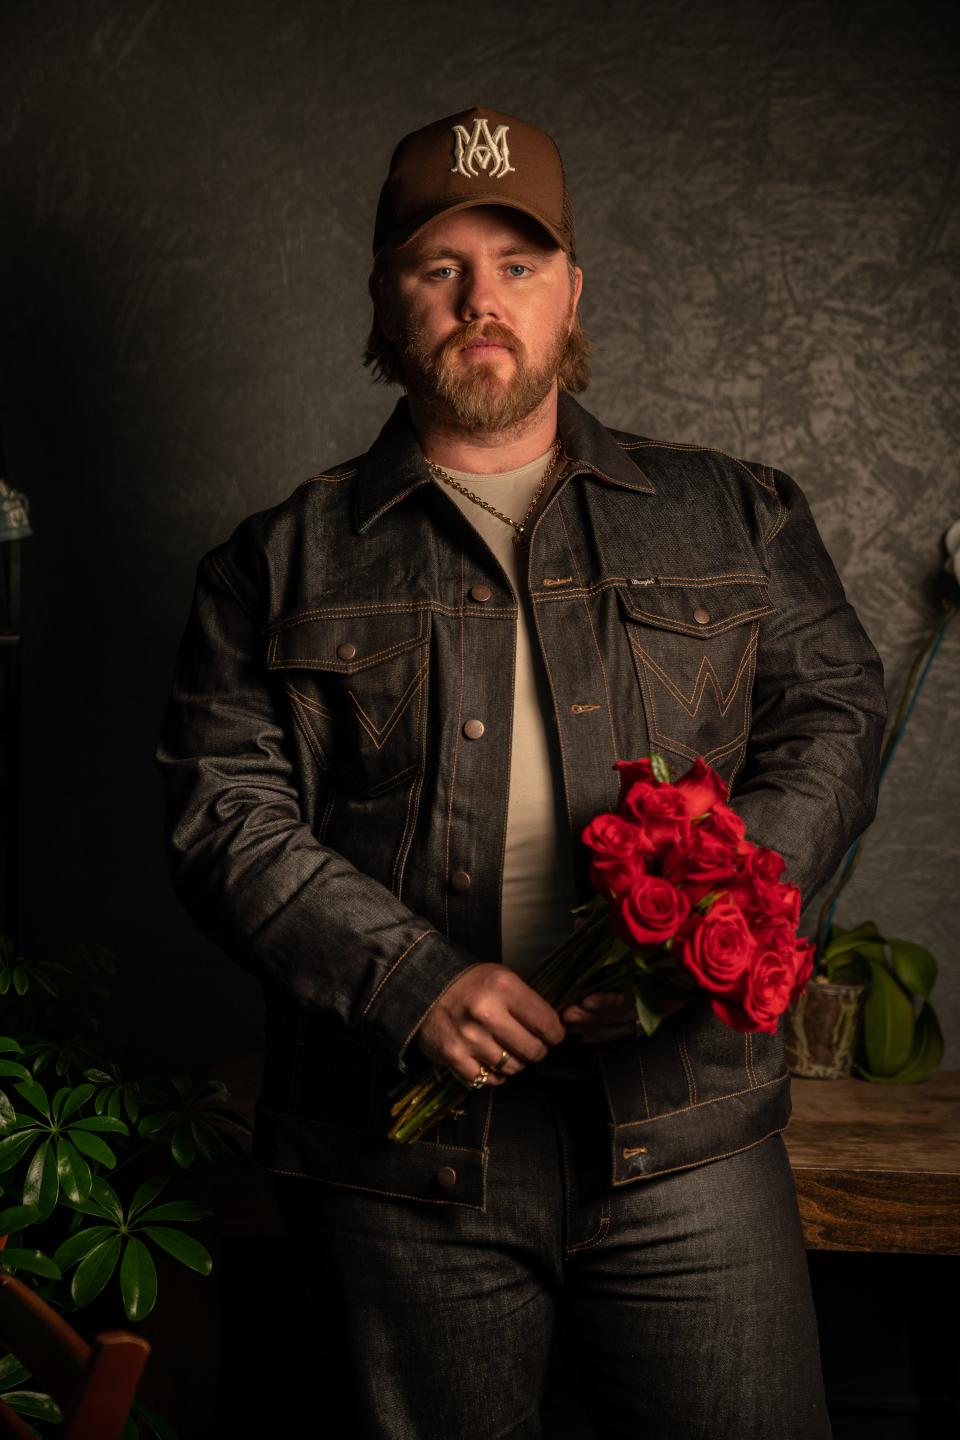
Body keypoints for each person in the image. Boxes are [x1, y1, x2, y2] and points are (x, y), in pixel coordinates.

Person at [155, 106, 885, 1438]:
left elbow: (833, 710)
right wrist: (408, 977)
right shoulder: (275, 563)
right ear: (386, 295)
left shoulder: (740, 512)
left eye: (520, 263)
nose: (482, 300)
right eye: (440, 267)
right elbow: (223, 812)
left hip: (692, 1137)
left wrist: (720, 905)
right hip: (399, 1163)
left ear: (571, 292)